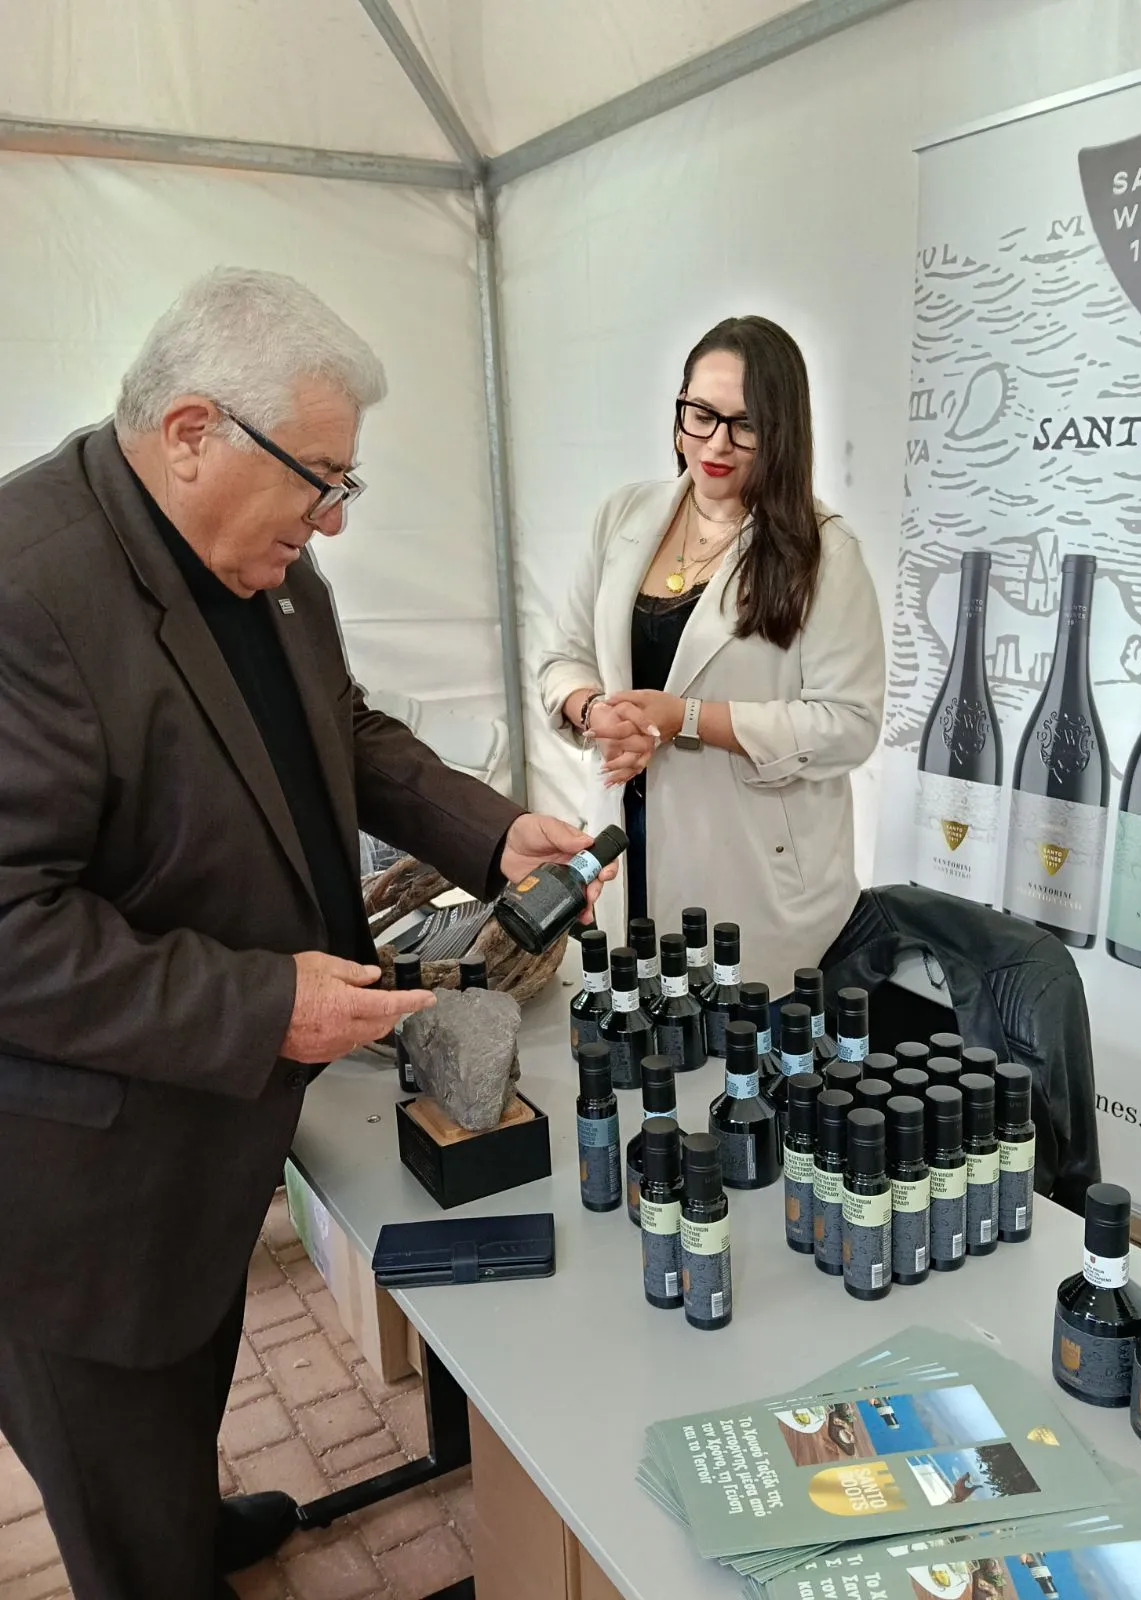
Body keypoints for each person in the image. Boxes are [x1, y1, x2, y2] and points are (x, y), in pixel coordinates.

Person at [0, 267, 613, 1600]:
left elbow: (337, 727)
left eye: (347, 483)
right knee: (120, 1484)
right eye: (320, 480)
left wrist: (490, 830)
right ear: (193, 433)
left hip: (201, 1137)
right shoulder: (24, 590)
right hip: (79, 1182)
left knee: (181, 1378)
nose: (334, 518)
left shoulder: (256, 557)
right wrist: (258, 1005)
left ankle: (179, 1510)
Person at [539, 316, 885, 1006]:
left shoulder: (823, 550)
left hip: (751, 870)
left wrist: (686, 719)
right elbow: (563, 658)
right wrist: (594, 710)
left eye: (745, 424)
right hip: (625, 842)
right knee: (636, 1030)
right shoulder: (623, 515)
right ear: (679, 413)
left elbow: (849, 725)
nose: (717, 443)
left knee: (733, 1044)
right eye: (701, 415)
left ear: (782, 432)